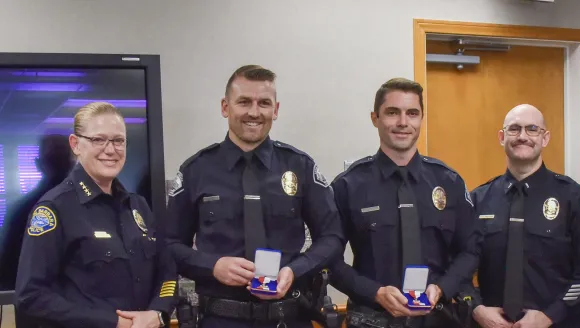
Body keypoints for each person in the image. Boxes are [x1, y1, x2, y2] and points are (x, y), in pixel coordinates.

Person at [164, 65, 345, 328]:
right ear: (225, 107)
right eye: (244, 102)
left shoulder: (299, 166)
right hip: (222, 319)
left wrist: (296, 270)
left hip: (289, 317)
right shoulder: (197, 171)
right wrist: (212, 266)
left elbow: (332, 236)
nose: (254, 112)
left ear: (276, 110)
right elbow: (169, 245)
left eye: (264, 103)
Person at [329, 78, 481, 328]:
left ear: (421, 118)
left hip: (438, 319)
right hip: (372, 320)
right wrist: (374, 292)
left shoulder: (448, 182)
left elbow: (471, 250)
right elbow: (329, 259)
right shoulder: (349, 185)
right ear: (375, 118)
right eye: (392, 113)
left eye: (412, 113)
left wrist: (442, 288)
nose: (403, 122)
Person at [14, 102, 177, 328]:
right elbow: (31, 297)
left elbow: (167, 270)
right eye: (98, 140)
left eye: (118, 140)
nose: (110, 150)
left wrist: (158, 312)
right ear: (76, 144)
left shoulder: (138, 206)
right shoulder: (54, 208)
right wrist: (113, 322)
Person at [469, 104, 580, 328]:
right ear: (502, 137)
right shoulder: (479, 199)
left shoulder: (571, 197)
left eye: (532, 129)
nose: (523, 136)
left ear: (545, 138)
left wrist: (550, 315)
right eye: (514, 129)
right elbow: (460, 264)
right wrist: (476, 309)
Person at [0, 134, 75, 291]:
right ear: (72, 163)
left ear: (39, 164)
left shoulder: (22, 212)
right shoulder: (93, 206)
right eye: (55, 159)